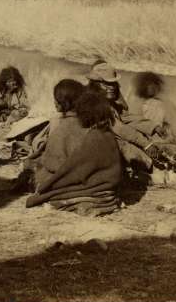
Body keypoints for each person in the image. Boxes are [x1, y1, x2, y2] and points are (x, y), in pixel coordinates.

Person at [24, 87, 123, 216]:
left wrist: (45, 187)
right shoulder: (107, 134)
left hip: (96, 185)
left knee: (46, 186)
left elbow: (72, 170)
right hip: (109, 186)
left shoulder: (92, 138)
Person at [86, 62, 165, 172]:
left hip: (111, 139)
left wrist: (153, 126)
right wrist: (146, 145)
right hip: (97, 145)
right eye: (106, 84)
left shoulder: (110, 100)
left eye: (113, 83)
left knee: (141, 143)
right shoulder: (93, 103)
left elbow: (126, 117)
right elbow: (119, 127)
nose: (111, 87)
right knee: (130, 149)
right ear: (95, 84)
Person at [133, 71, 176, 150]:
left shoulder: (147, 105)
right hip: (157, 142)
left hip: (152, 141)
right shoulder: (159, 105)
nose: (151, 87)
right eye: (149, 85)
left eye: (153, 84)